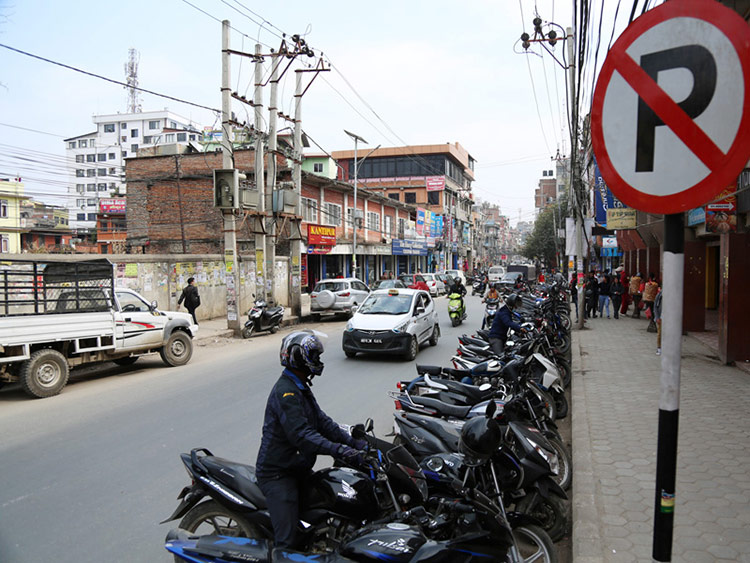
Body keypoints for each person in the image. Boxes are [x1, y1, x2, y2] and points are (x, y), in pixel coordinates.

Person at [255, 331, 367, 548]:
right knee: (287, 542)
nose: (318, 361)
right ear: (299, 357)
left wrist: (353, 443)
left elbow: (323, 422)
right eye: (314, 356)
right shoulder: (285, 392)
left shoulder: (300, 385)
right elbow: (302, 436)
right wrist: (338, 450)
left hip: (298, 469)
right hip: (278, 473)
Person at [654, 289, 663, 355]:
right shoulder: (660, 294)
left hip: (669, 318)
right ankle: (659, 348)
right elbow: (655, 306)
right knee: (660, 333)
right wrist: (657, 317)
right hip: (661, 317)